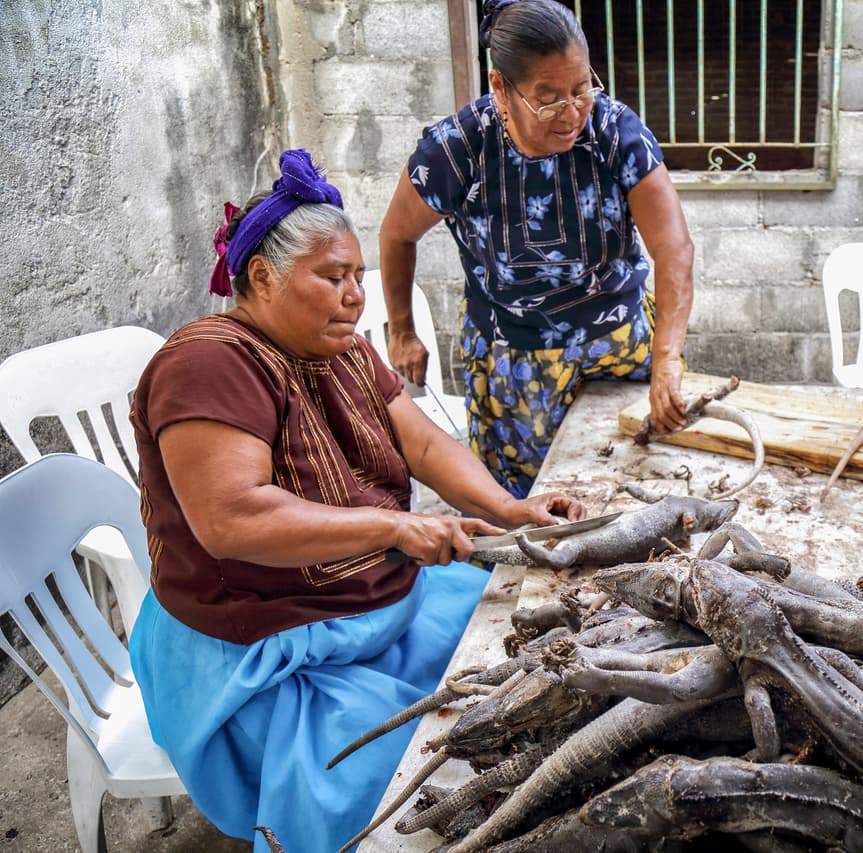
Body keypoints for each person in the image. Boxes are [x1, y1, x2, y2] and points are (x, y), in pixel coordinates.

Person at [128, 149, 584, 853]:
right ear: (262, 277)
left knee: (528, 656)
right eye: (333, 277)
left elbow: (421, 443)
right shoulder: (208, 362)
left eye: (358, 278)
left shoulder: (338, 348)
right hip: (266, 646)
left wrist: (507, 506)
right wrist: (393, 528)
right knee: (412, 783)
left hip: (375, 608)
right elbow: (230, 518)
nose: (355, 297)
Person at [379, 0, 694, 499]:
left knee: (636, 491)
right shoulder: (458, 149)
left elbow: (673, 247)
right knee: (530, 510)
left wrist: (668, 357)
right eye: (548, 99)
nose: (571, 113)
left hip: (620, 348)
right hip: (513, 368)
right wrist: (401, 331)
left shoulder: (614, 132)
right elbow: (397, 235)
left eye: (581, 89)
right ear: (500, 86)